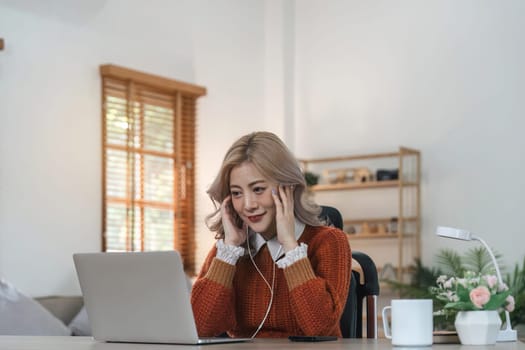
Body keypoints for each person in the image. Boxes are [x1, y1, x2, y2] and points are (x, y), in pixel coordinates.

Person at [190, 131, 351, 338]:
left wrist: (290, 246)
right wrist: (229, 251)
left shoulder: (329, 242)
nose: (248, 205)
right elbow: (199, 328)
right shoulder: (229, 251)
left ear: (288, 187)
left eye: (258, 189)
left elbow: (319, 329)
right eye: (237, 193)